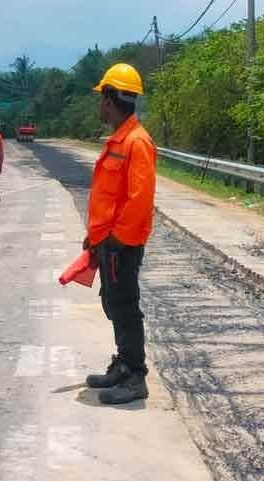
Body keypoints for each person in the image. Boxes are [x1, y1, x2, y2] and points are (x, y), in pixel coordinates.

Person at [82, 63, 157, 405]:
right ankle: (124, 365)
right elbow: (108, 198)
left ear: (112, 99)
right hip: (109, 242)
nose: (100, 106)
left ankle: (135, 376)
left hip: (122, 245)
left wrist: (115, 241)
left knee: (125, 306)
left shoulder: (136, 142)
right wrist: (95, 237)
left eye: (102, 98)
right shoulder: (119, 140)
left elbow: (139, 200)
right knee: (112, 302)